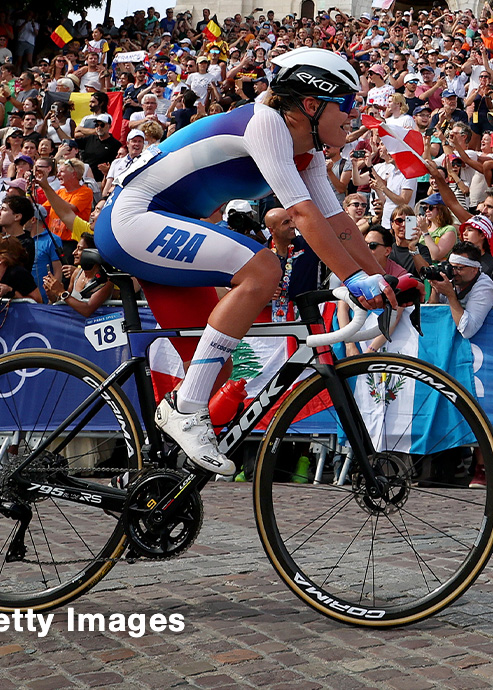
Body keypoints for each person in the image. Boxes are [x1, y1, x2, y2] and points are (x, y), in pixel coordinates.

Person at [95, 48, 400, 475]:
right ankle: (185, 410)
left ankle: (156, 478)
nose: (353, 115)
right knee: (263, 269)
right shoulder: (266, 123)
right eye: (346, 105)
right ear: (311, 105)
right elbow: (301, 214)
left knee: (213, 373)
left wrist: (381, 278)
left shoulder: (306, 151)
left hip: (162, 225)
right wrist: (352, 279)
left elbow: (339, 223)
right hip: (132, 219)